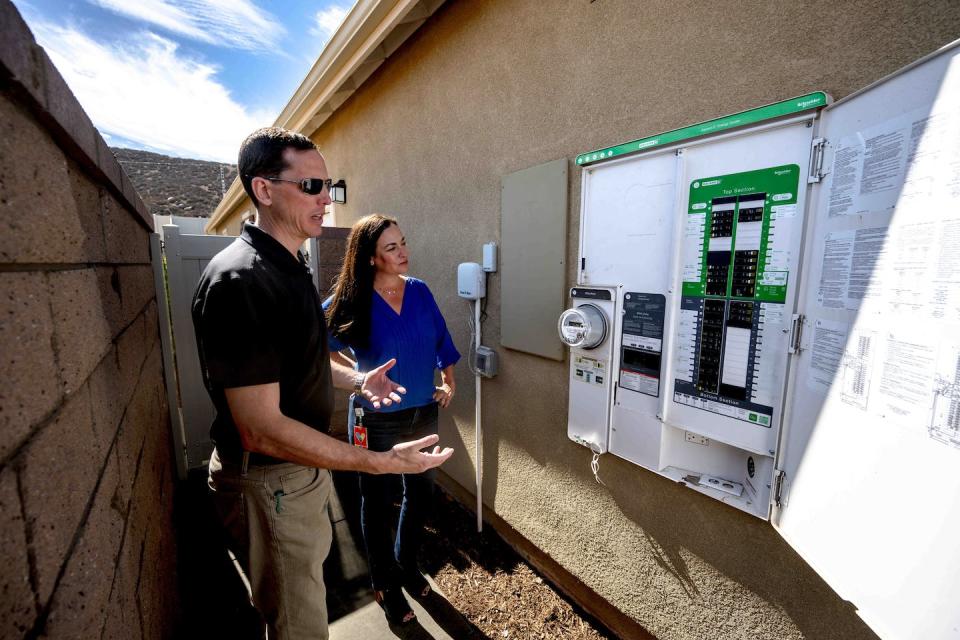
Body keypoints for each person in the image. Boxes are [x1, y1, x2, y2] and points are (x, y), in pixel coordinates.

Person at [191, 127, 454, 640]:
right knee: (299, 624)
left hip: (298, 473)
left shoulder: (287, 267)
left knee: (303, 606)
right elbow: (260, 430)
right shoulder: (243, 281)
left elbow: (303, 364)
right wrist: (377, 462)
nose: (325, 201)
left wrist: (358, 380)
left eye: (328, 187)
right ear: (263, 190)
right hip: (271, 481)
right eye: (310, 186)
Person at [324, 214, 460, 625]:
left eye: (403, 243)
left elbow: (440, 339)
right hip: (377, 419)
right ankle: (384, 583)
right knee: (377, 503)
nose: (404, 253)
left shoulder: (419, 291)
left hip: (422, 412)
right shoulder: (350, 299)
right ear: (370, 258)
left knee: (420, 496)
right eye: (392, 248)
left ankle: (406, 564)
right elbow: (319, 348)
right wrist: (360, 378)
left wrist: (448, 381)